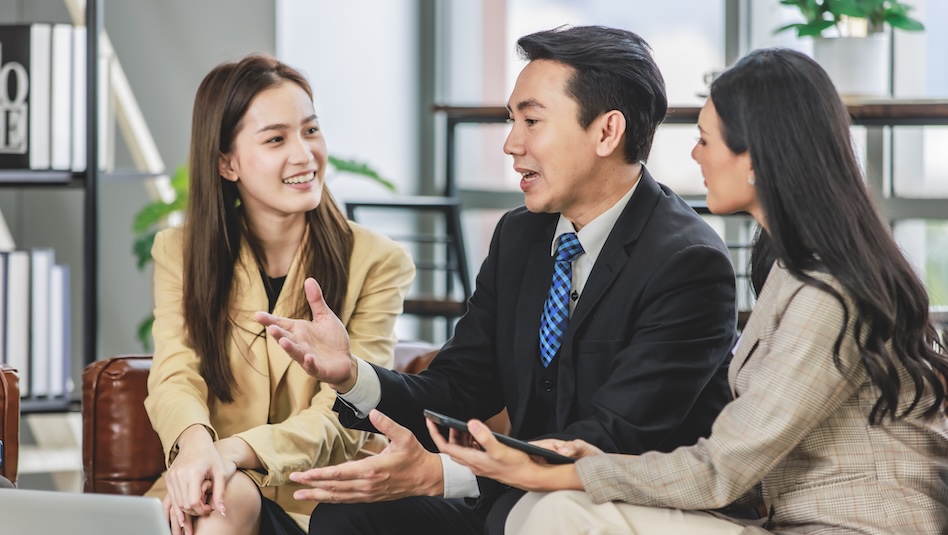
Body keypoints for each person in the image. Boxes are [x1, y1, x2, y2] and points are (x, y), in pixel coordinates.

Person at [429, 47, 948, 535]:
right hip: (782, 520)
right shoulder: (790, 269)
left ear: (755, 158)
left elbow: (723, 469)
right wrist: (582, 467)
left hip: (852, 527)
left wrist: (563, 473)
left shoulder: (828, 294)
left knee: (560, 511)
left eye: (705, 139)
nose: (694, 156)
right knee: (543, 509)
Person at [257, 25, 737, 534]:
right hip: (513, 500)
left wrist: (441, 475)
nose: (512, 144)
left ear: (606, 132)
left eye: (531, 120)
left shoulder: (688, 263)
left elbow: (611, 441)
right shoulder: (520, 236)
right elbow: (460, 388)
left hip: (610, 511)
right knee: (348, 518)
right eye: (512, 121)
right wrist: (353, 374)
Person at [143, 54, 414, 535]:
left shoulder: (377, 260)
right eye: (276, 139)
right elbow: (175, 373)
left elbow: (348, 415)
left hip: (320, 504)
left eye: (311, 131)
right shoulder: (180, 252)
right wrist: (196, 445)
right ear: (227, 163)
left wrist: (230, 452)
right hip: (206, 483)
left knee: (225, 498)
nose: (305, 155)